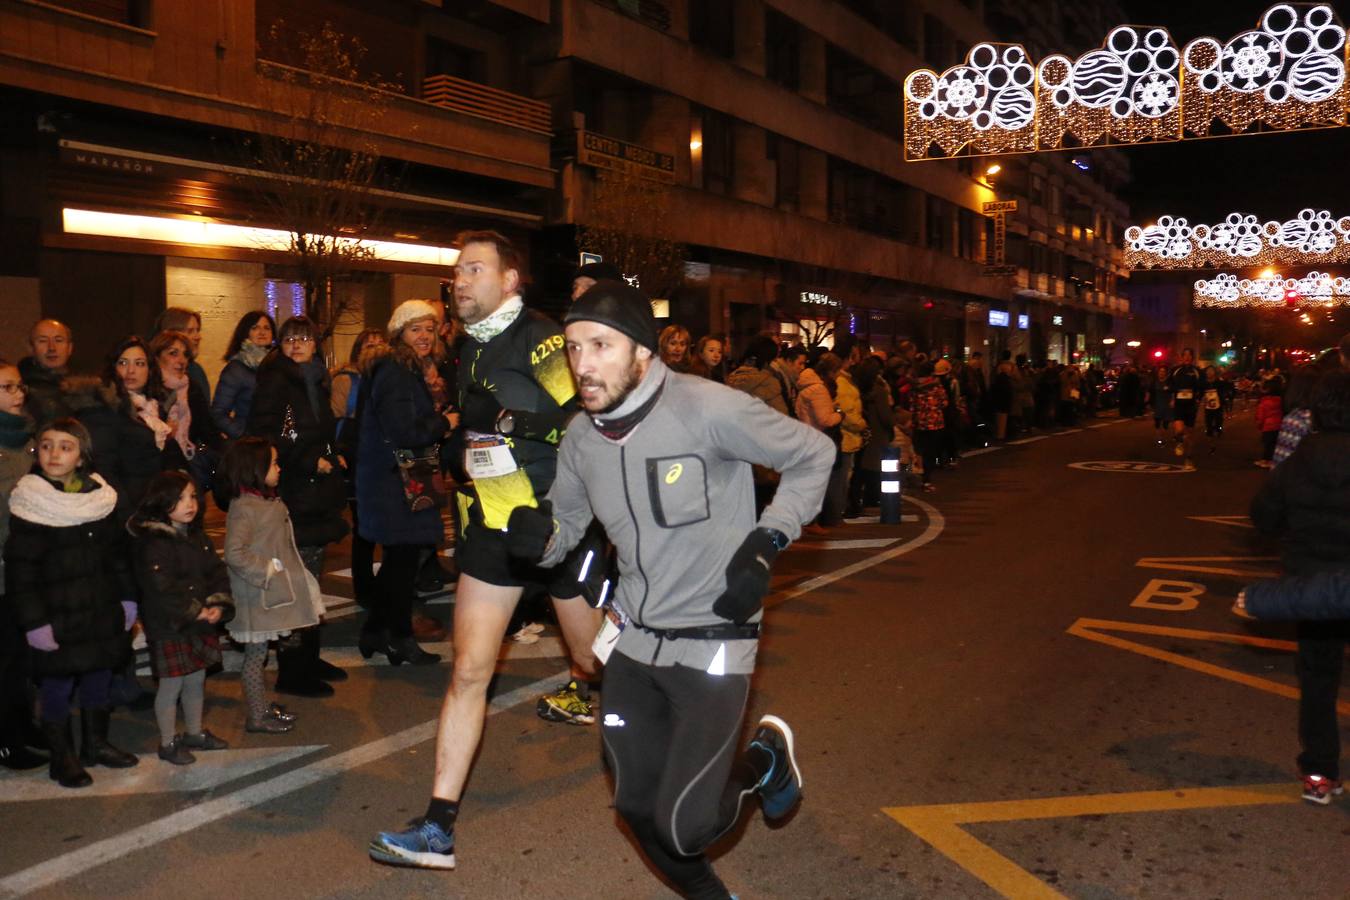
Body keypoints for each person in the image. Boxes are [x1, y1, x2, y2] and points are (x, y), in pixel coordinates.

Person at [508, 280, 831, 898]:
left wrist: (766, 544)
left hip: (714, 636)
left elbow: (813, 455)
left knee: (686, 826)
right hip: (632, 639)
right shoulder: (581, 437)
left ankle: (764, 760)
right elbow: (567, 527)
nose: (583, 364)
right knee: (634, 806)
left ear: (642, 353)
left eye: (600, 345)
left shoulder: (708, 407)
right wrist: (538, 540)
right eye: (573, 348)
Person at [368, 232, 604, 869]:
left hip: (555, 528)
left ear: (510, 280)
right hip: (491, 533)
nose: (460, 281)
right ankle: (438, 827)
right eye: (456, 272)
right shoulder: (467, 350)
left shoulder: (542, 337)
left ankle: (677, 723)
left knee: (597, 660)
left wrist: (514, 427)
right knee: (469, 671)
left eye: (474, 269)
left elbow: (586, 417)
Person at [6, 418, 139, 788]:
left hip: (99, 609)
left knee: (98, 676)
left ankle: (96, 744)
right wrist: (34, 623)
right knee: (57, 685)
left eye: (65, 446)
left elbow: (117, 557)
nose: (54, 454)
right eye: (46, 445)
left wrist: (128, 599)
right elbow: (22, 571)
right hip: (56, 615)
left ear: (82, 457)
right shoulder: (30, 501)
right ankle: (61, 755)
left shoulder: (98, 499)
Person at [1249, 371, 1350, 805]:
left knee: (1318, 681)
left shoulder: (1297, 462)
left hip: (1311, 588)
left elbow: (1263, 517)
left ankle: (1319, 775)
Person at [246, 316, 349, 697]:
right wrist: (308, 460)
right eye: (290, 338)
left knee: (311, 577)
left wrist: (333, 456)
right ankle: (292, 669)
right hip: (292, 490)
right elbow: (268, 435)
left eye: (305, 338)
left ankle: (310, 656)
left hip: (316, 492)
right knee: (294, 581)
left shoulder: (315, 379)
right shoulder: (275, 380)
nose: (297, 344)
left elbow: (320, 431)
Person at [353, 301, 454, 665]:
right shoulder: (397, 370)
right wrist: (444, 424)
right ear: (399, 334)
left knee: (400, 564)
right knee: (401, 565)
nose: (424, 336)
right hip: (395, 482)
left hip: (398, 479)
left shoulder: (407, 368)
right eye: (415, 329)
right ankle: (398, 638)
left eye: (429, 328)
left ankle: (379, 632)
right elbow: (403, 430)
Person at [128, 471, 233, 765]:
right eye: (180, 498)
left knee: (196, 680)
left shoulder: (196, 536)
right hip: (170, 626)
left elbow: (215, 572)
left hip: (197, 622)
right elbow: (160, 587)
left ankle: (195, 733)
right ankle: (167, 741)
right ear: (162, 502)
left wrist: (217, 604)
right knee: (171, 685)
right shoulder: (153, 541)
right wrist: (193, 610)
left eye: (192, 496)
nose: (190, 504)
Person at [220, 437, 322, 734]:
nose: (279, 468)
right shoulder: (245, 507)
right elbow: (234, 553)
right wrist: (268, 569)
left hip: (267, 593)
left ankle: (262, 707)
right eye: (273, 463)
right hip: (256, 596)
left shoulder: (264, 501)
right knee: (255, 658)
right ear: (255, 469)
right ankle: (256, 715)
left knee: (262, 655)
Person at [70, 337, 172, 526]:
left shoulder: (154, 408)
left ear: (150, 370)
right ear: (112, 367)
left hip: (152, 505)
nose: (131, 371)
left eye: (139, 364)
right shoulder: (103, 408)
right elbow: (103, 467)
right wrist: (129, 513)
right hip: (125, 512)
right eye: (123, 363)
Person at [0, 361, 44, 771]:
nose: (17, 394)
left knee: (23, 658)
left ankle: (24, 726)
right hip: (2, 566)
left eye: (19, 386)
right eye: (6, 387)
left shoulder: (29, 440)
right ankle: (6, 740)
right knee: (5, 660)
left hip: (24, 568)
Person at [150, 330, 220, 491]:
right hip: (157, 469)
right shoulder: (149, 388)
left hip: (188, 465)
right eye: (173, 353)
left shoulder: (192, 388)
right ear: (157, 356)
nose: (181, 360)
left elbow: (208, 431)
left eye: (185, 355)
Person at [794, 353, 843, 532]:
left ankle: (807, 520)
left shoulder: (805, 386)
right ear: (830, 371)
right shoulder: (818, 389)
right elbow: (825, 420)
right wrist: (839, 414)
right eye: (837, 371)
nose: (838, 375)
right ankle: (810, 522)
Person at [211, 311, 276, 441]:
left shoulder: (278, 365)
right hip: (251, 445)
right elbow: (218, 413)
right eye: (255, 328)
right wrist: (244, 435)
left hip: (276, 441)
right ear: (245, 332)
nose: (262, 332)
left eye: (266, 328)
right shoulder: (236, 369)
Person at [20, 319, 76, 424]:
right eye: (43, 341)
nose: (51, 348)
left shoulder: (85, 388)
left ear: (70, 348)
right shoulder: (20, 389)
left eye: (59, 340)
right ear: (31, 348)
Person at [155, 307, 210, 401]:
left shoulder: (196, 371)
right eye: (190, 331)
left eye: (197, 330)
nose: (198, 337)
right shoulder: (151, 373)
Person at [910, 361, 947, 493]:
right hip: (934, 423)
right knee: (930, 452)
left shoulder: (914, 386)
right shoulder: (936, 387)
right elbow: (944, 403)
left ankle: (918, 475)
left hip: (918, 422)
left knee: (919, 449)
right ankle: (926, 480)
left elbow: (911, 404)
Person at [1166, 349, 1201, 468]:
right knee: (1179, 430)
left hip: (1191, 405)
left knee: (1190, 434)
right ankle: (1179, 442)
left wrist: (1198, 398)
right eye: (1184, 355)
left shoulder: (1197, 371)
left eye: (1189, 355)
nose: (1187, 357)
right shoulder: (1175, 370)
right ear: (1181, 357)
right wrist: (1172, 398)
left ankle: (1189, 458)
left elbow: (1201, 386)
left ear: (1192, 358)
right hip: (1179, 404)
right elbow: (1170, 385)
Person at [769, 344, 806, 416]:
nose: (803, 367)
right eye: (800, 363)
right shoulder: (778, 377)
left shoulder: (788, 377)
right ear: (789, 361)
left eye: (804, 364)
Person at [1255, 378, 1284, 468]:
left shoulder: (1265, 401)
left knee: (1268, 445)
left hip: (1268, 426)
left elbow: (1261, 416)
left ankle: (1265, 460)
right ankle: (1273, 459)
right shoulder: (1281, 400)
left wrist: (1259, 425)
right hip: (1278, 425)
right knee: (1274, 444)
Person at [1201, 365, 1226, 454]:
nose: (1209, 373)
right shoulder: (1204, 383)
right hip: (1208, 409)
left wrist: (1225, 409)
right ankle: (1211, 445)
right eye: (1208, 371)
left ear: (1214, 372)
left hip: (1218, 408)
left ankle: (1218, 429)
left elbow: (1223, 394)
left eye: (1211, 371)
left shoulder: (1219, 382)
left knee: (1218, 424)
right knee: (1209, 426)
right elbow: (1201, 394)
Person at [1148, 364, 1172, 447]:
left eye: (1163, 371)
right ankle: (1159, 438)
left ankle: (1163, 438)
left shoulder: (1169, 382)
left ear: (1166, 373)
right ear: (1158, 373)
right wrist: (1148, 401)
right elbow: (1150, 392)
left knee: (1165, 423)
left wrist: (1172, 401)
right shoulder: (1154, 382)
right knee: (1157, 423)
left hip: (1167, 406)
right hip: (1157, 405)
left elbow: (1173, 392)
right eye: (1160, 371)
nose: (1161, 373)